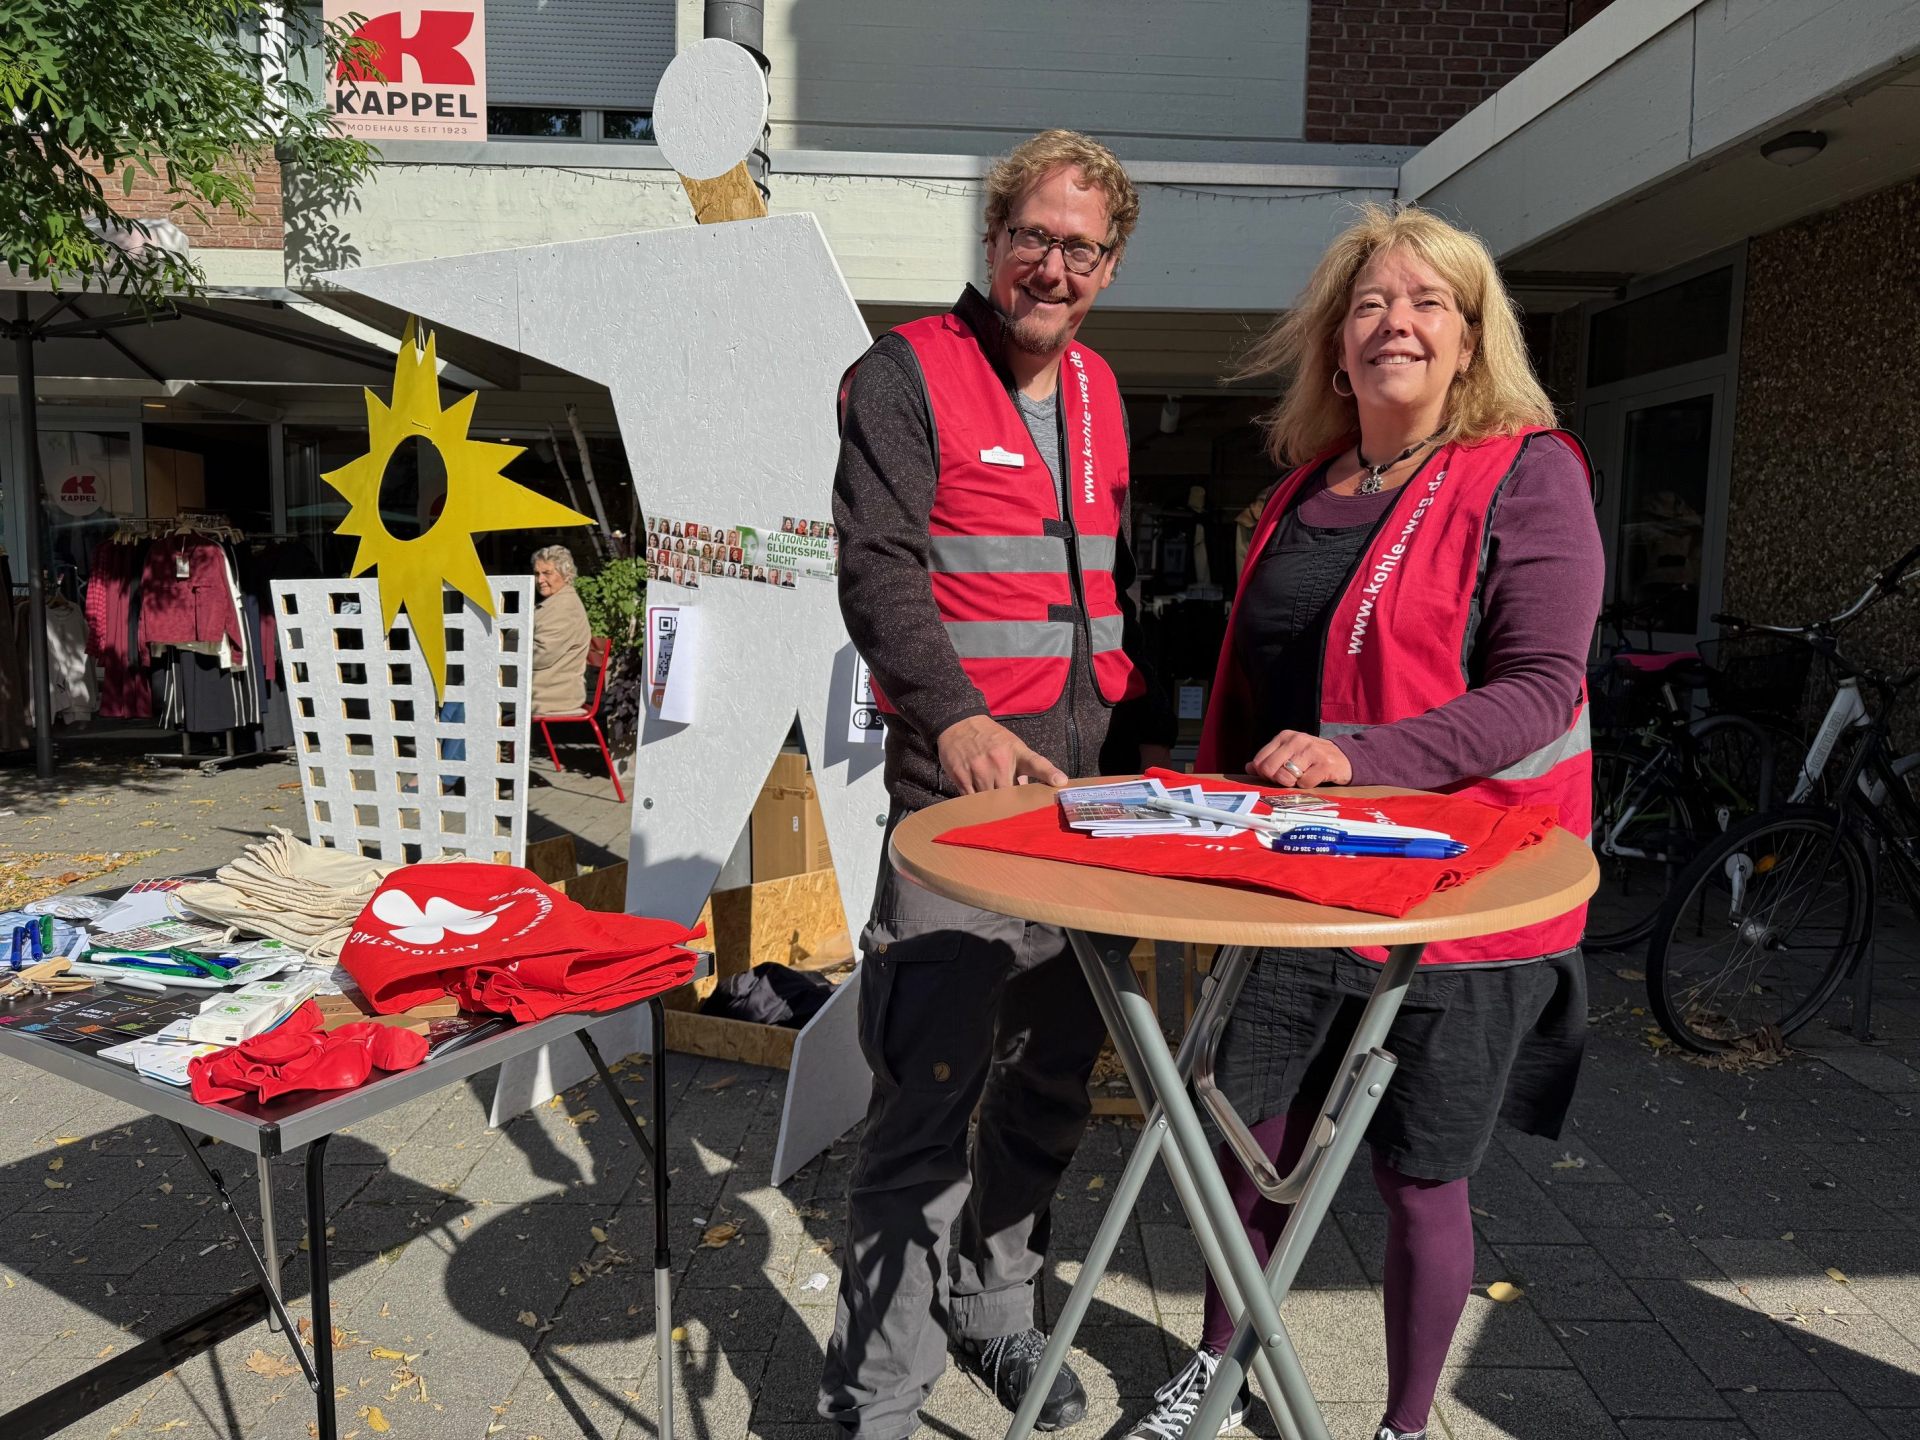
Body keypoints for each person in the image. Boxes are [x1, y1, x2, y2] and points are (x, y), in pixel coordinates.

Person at [1123, 204, 1602, 1440]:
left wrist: (1363, 758)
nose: (1397, 323)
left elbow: (1543, 685)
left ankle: (1399, 1427)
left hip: (1456, 895)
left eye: (1428, 302)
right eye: (1371, 304)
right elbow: (1259, 683)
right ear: (1336, 344)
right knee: (1250, 1143)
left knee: (1415, 1176)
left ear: (1471, 337)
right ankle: (1222, 1371)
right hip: (1294, 884)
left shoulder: (1528, 471)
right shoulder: (1296, 494)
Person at [825, 128, 1175, 1440]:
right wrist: (959, 716)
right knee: (925, 1106)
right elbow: (881, 568)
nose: (1054, 265)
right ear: (994, 238)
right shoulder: (905, 372)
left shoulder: (1098, 392)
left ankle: (995, 1304)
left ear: (1110, 265)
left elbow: (1099, 598)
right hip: (958, 815)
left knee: (1048, 1083)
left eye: (1083, 247)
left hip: (1083, 819)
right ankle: (878, 1402)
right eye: (1034, 236)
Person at [530, 544, 593, 715]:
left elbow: (540, 656)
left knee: (473, 693)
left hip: (551, 694)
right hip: (543, 687)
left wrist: (510, 642)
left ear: (565, 574)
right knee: (470, 690)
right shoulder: (555, 602)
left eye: (547, 573)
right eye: (537, 574)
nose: (540, 580)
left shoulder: (564, 607)